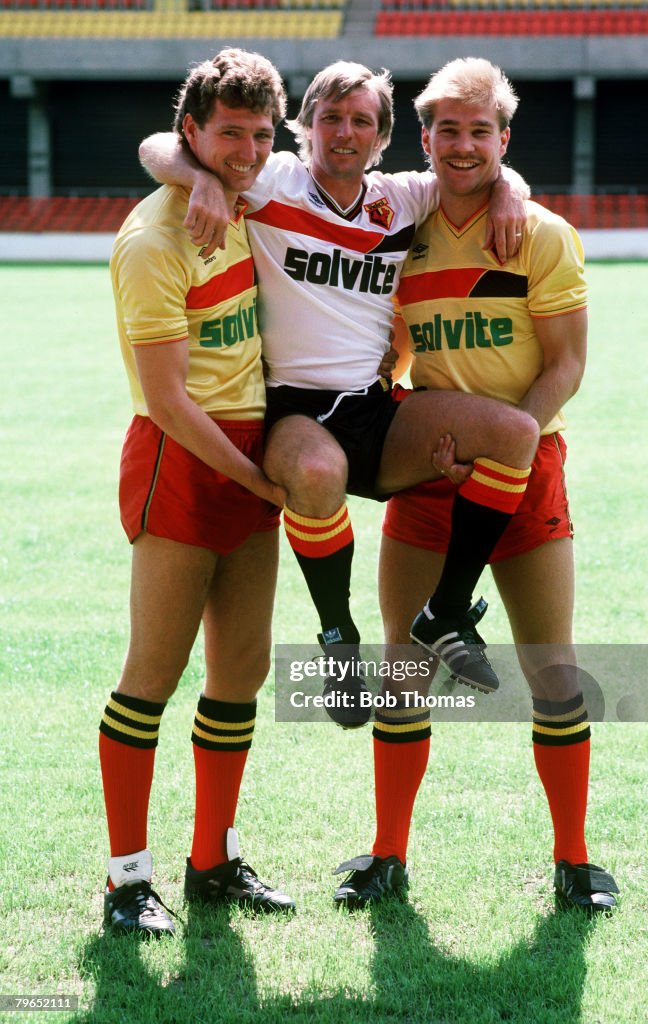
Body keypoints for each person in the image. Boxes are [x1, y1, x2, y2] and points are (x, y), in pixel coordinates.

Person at [138, 61, 540, 724]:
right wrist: (199, 179)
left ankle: (443, 611)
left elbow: (496, 165)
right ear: (304, 128)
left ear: (382, 138)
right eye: (330, 117)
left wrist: (506, 195)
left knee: (513, 434)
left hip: (373, 406)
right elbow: (158, 145)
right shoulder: (271, 181)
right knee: (318, 474)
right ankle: (337, 638)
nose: (344, 132)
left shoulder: (405, 197)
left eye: (360, 121)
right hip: (294, 409)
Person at [332, 57, 619, 912]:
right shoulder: (397, 228)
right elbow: (387, 353)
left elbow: (565, 365)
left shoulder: (539, 233)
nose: (463, 145)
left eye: (479, 130)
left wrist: (509, 449)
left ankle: (573, 861)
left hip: (524, 472)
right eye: (446, 130)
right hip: (430, 468)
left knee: (552, 671)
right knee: (403, 669)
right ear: (424, 140)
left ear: (503, 138)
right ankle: (387, 855)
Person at [101, 47, 296, 938]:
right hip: (188, 459)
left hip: (250, 455)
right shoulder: (152, 239)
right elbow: (172, 403)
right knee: (153, 676)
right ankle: (125, 881)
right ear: (194, 132)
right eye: (229, 134)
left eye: (261, 134)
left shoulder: (254, 194)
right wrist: (261, 480)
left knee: (241, 674)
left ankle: (212, 861)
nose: (247, 150)